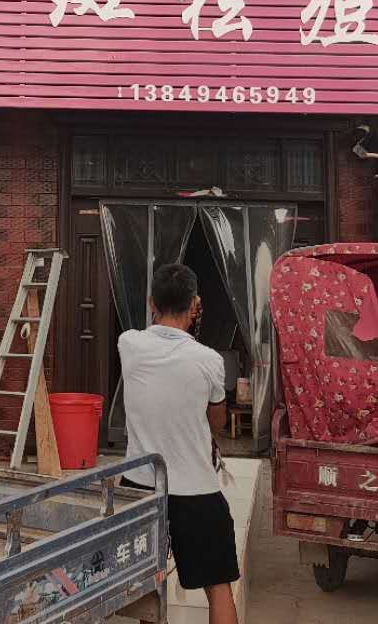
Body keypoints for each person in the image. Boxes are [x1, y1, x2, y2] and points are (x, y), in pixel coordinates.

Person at [119, 264, 238, 624]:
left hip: (141, 485)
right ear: (195, 304)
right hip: (196, 489)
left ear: (150, 302)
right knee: (218, 586)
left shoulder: (129, 344)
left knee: (147, 585)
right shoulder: (210, 360)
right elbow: (217, 421)